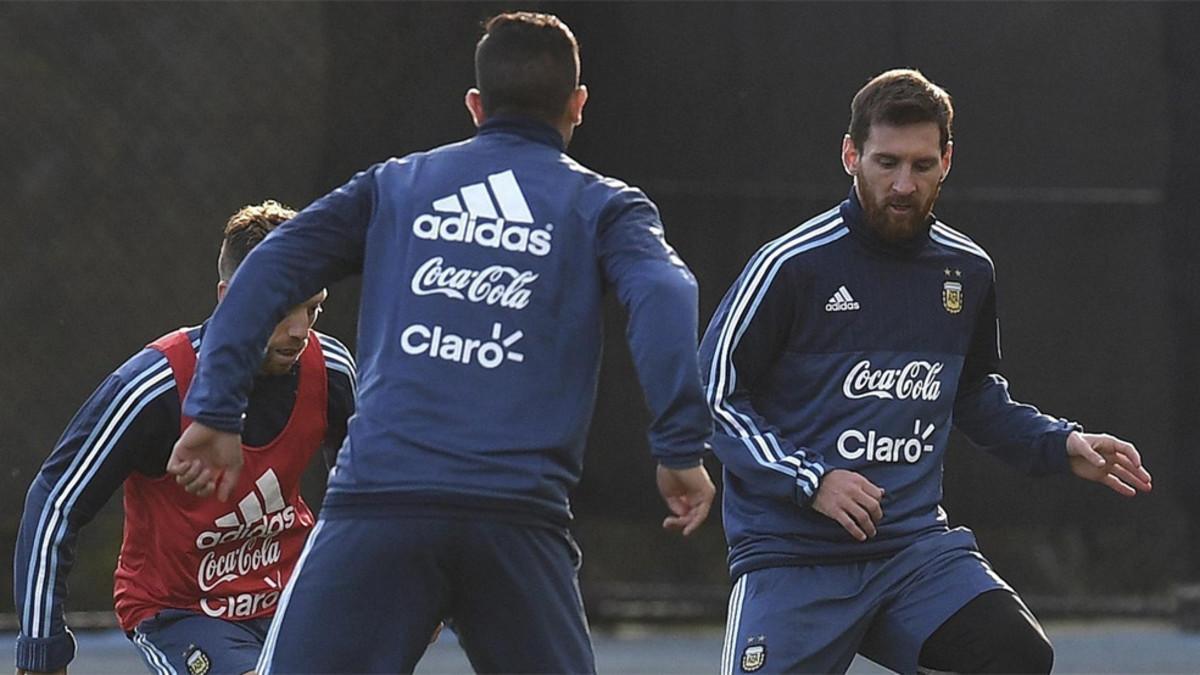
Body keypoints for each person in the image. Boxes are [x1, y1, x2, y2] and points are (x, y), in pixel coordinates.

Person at [167, 11, 716, 675]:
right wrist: (679, 446)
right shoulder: (604, 206)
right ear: (577, 105)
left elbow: (271, 264)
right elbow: (667, 293)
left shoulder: (397, 184)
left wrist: (216, 408)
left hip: (381, 505)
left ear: (476, 107)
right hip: (518, 518)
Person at [700, 68, 1153, 675]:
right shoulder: (791, 265)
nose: (904, 184)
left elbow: (973, 395)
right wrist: (812, 479)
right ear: (850, 155)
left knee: (1015, 655)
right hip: (793, 556)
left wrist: (1059, 442)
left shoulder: (967, 270)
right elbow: (710, 394)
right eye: (886, 163)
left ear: (947, 159)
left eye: (921, 164)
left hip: (913, 554)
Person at [13, 201, 356, 675]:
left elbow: (365, 494)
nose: (301, 330)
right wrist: (41, 646)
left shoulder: (331, 370)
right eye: (282, 307)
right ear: (228, 297)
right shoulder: (153, 388)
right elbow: (55, 501)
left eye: (313, 307)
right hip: (182, 612)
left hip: (292, 597)